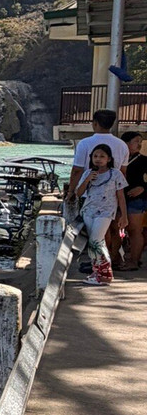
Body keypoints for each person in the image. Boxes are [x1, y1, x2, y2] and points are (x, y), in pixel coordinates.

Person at [67, 109, 130, 265]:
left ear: (94, 123)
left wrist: (71, 192)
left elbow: (77, 170)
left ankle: (101, 263)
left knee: (97, 234)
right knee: (113, 228)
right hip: (113, 194)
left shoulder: (85, 143)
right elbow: (123, 172)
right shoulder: (122, 145)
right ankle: (112, 259)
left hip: (91, 195)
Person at [75, 143, 128, 285]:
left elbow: (121, 196)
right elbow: (79, 193)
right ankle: (98, 272)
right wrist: (87, 180)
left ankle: (105, 274)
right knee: (98, 243)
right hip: (89, 210)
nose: (98, 159)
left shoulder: (115, 174)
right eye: (95, 156)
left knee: (95, 241)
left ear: (109, 159)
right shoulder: (88, 173)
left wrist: (124, 216)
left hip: (106, 212)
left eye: (102, 156)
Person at [119, 131, 146, 270]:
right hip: (118, 198)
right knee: (116, 229)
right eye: (136, 141)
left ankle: (134, 261)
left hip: (136, 199)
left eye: (140, 141)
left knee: (135, 230)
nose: (140, 144)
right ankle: (117, 258)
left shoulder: (143, 160)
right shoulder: (116, 159)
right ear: (126, 143)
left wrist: (143, 188)